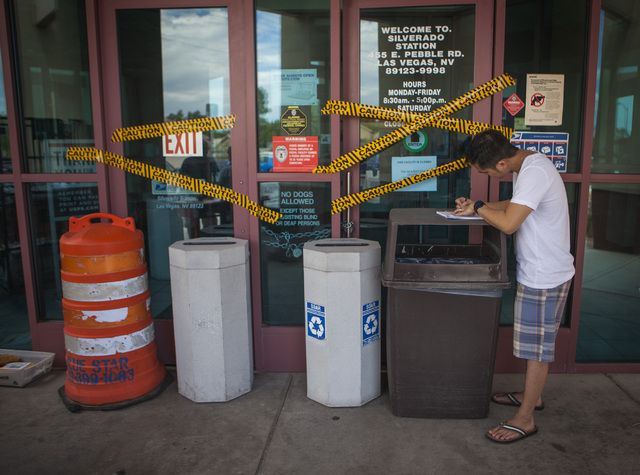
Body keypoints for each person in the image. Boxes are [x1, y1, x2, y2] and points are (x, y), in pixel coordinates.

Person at [454, 129, 574, 444]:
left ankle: (525, 419)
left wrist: (479, 208)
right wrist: (480, 204)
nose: (487, 175)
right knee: (535, 345)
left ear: (503, 163)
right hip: (540, 270)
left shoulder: (534, 171)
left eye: (486, 173)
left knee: (537, 351)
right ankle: (529, 397)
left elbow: (509, 222)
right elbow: (515, 204)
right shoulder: (530, 166)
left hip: (545, 275)